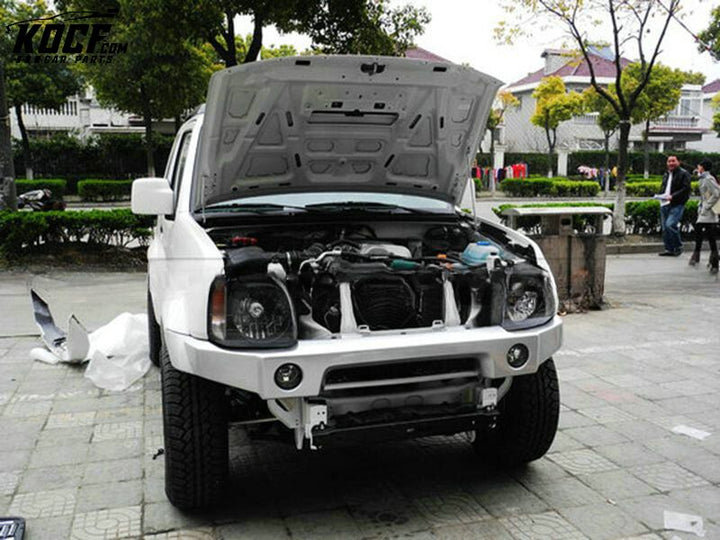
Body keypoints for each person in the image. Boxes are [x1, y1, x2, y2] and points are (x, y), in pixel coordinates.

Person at [689, 158, 720, 273]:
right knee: (703, 233)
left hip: (709, 212)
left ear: (702, 167)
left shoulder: (708, 179)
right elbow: (705, 194)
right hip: (704, 211)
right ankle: (704, 257)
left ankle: (714, 262)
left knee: (709, 236)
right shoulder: (703, 178)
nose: (697, 168)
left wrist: (707, 206)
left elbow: (716, 193)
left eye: (699, 166)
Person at [658, 155, 692, 256]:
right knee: (665, 228)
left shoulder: (684, 174)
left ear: (678, 162)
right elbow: (664, 187)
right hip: (664, 203)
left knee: (670, 225)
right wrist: (660, 195)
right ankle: (669, 249)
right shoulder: (666, 174)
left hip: (677, 204)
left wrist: (673, 196)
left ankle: (678, 246)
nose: (671, 163)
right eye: (669, 161)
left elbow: (686, 189)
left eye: (673, 161)